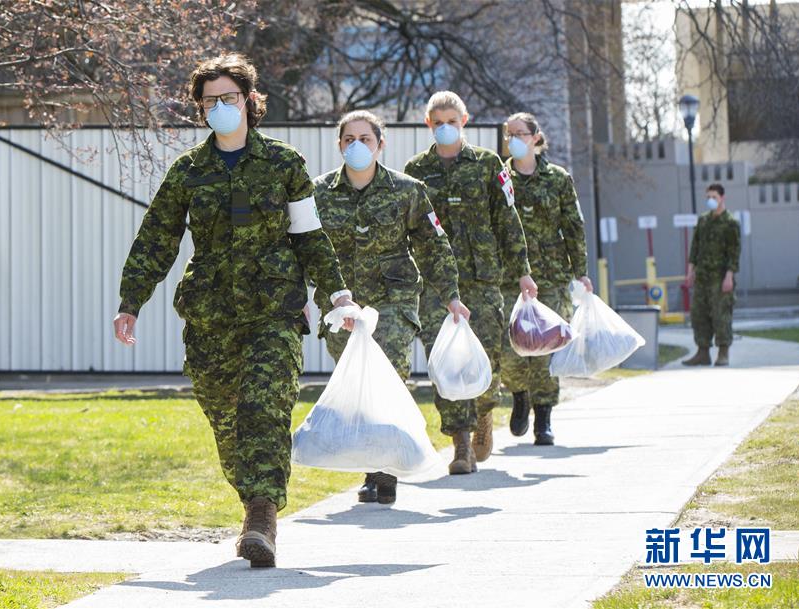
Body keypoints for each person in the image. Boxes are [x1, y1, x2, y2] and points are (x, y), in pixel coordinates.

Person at [112, 53, 355, 569]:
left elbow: (309, 235)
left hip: (274, 308)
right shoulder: (188, 171)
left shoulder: (284, 164)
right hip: (211, 315)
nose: (219, 108)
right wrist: (130, 302)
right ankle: (252, 502)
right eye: (209, 101)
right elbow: (157, 238)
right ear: (201, 110)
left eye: (228, 98)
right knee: (226, 419)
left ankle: (263, 518)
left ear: (248, 101)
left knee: (264, 408)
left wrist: (337, 294)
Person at [312, 110, 466, 501]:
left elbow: (433, 246)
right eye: (349, 139)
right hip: (341, 304)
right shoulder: (319, 193)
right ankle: (371, 466)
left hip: (393, 302)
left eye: (365, 139)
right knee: (358, 385)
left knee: (390, 377)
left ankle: (385, 471)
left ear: (381, 144)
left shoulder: (407, 189)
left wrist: (450, 295)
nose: (357, 146)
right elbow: (305, 249)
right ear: (339, 145)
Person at [404, 92, 536, 471]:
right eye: (437, 121)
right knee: (444, 359)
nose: (445, 126)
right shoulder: (417, 170)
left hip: (482, 278)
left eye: (452, 120)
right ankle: (460, 443)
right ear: (428, 123)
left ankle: (482, 416)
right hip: (436, 284)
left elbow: (507, 220)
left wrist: (522, 270)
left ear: (465, 121)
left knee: (488, 357)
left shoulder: (487, 164)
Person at [499, 112, 591, 446]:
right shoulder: (500, 178)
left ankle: (544, 418)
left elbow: (574, 227)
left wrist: (580, 271)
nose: (512, 140)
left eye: (519, 134)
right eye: (508, 135)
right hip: (508, 277)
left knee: (545, 350)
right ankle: (519, 393)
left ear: (536, 138)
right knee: (509, 350)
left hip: (550, 276)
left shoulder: (558, 179)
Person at [682, 183, 741, 367]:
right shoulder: (703, 220)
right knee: (699, 314)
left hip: (720, 278)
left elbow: (734, 252)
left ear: (722, 198)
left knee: (721, 315)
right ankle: (702, 352)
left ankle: (723, 353)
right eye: (708, 197)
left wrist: (729, 276)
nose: (711, 201)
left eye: (714, 197)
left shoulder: (730, 222)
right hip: (702, 277)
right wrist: (691, 271)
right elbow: (695, 246)